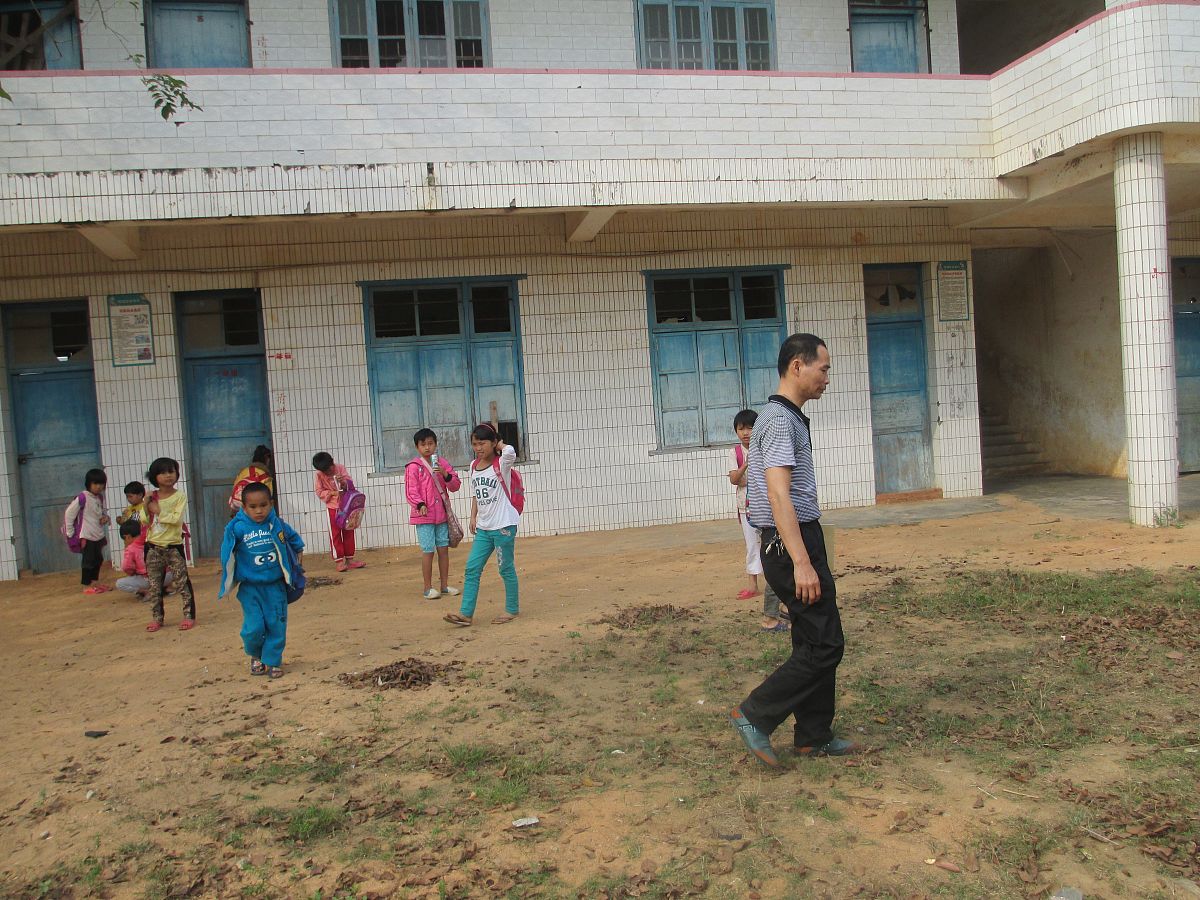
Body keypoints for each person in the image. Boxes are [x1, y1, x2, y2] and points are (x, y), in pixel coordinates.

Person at [730, 334, 859, 767]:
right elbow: (779, 494)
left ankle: (813, 735)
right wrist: (802, 560)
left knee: (811, 638)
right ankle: (755, 714)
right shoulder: (781, 420)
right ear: (797, 366)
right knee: (826, 644)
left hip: (797, 537)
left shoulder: (783, 417)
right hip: (790, 543)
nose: (827, 378)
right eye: (823, 369)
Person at [218, 482, 304, 680]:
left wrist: (296, 566)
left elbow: (295, 542)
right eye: (253, 507)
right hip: (250, 588)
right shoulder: (237, 528)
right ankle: (255, 654)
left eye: (263, 505)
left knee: (277, 624)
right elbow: (227, 553)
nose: (259, 511)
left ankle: (273, 660)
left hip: (275, 586)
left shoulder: (278, 524)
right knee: (253, 627)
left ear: (271, 504)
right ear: (244, 507)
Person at [443, 424, 520, 627]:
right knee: (472, 568)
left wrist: (499, 444)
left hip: (503, 526)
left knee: (505, 568)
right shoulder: (473, 466)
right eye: (475, 444)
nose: (478, 447)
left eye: (482, 443)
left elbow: (511, 451)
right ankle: (465, 614)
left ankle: (512, 609)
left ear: (493, 442)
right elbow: (477, 493)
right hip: (484, 528)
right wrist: (473, 516)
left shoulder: (502, 463)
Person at [405, 428, 462, 599]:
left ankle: (444, 585)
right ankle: (428, 587)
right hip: (423, 517)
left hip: (441, 515)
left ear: (436, 444)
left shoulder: (442, 463)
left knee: (443, 550)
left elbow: (455, 485)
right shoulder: (414, 467)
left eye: (430, 444)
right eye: (423, 445)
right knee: (428, 551)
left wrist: (445, 475)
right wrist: (420, 504)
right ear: (417, 447)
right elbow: (411, 490)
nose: (427, 448)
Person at [144, 457, 197, 633]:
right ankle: (157, 618)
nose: (168, 476)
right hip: (152, 547)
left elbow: (176, 519)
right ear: (154, 476)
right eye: (163, 472)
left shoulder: (179, 496)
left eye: (171, 471)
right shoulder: (152, 497)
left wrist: (159, 511)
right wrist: (145, 505)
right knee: (154, 586)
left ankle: (189, 616)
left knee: (182, 583)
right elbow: (145, 521)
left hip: (173, 546)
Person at [312, 451, 365, 572]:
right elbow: (319, 491)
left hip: (346, 506)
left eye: (329, 468)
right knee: (335, 534)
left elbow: (350, 485)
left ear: (332, 462)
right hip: (332, 507)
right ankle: (339, 561)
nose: (329, 472)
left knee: (349, 530)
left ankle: (350, 560)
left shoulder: (340, 468)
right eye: (325, 471)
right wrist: (331, 493)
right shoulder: (319, 475)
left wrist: (343, 482)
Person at [65, 468, 111, 595]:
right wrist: (70, 532)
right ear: (88, 483)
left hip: (97, 534)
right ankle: (86, 586)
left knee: (98, 559)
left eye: (101, 484)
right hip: (86, 535)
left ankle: (94, 583)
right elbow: (69, 514)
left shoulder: (99, 498)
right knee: (88, 561)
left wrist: (104, 518)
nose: (98, 486)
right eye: (95, 483)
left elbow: (98, 514)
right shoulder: (82, 497)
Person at [113, 518, 173, 598]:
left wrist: (133, 573)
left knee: (119, 583)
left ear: (127, 537)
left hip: (150, 579)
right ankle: (166, 588)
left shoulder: (131, 548)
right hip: (168, 576)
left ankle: (146, 592)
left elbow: (126, 567)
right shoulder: (152, 538)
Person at [230, 445, 275, 514]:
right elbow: (268, 497)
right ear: (266, 458)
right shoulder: (264, 476)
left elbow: (234, 489)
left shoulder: (243, 472)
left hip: (239, 511)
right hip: (256, 514)